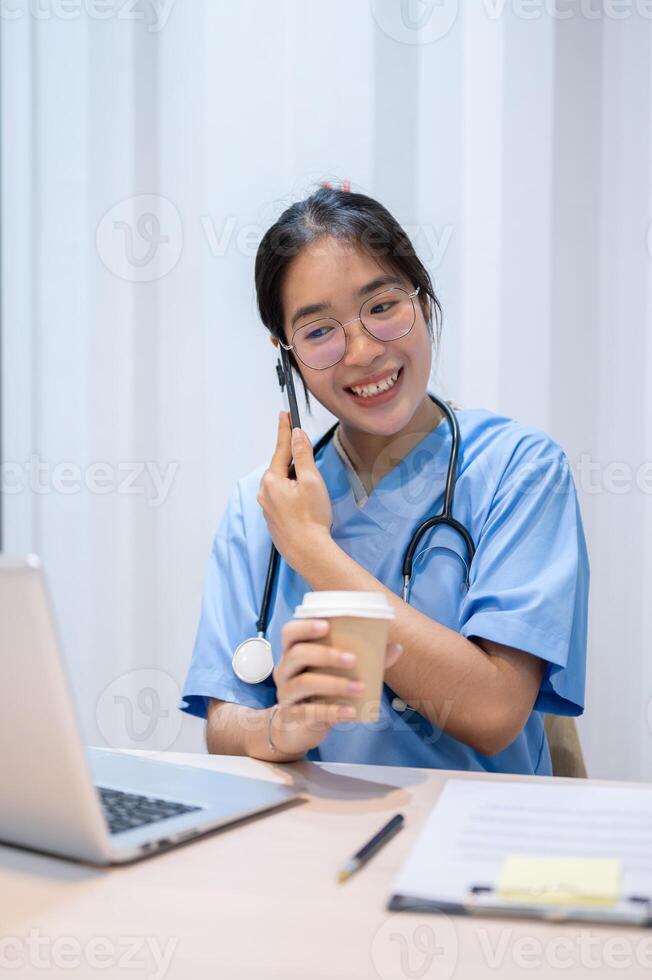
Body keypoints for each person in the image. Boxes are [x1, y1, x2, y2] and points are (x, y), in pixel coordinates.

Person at [180, 185, 589, 774]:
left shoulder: (519, 470)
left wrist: (313, 552)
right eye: (319, 331)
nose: (363, 351)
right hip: (312, 844)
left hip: (470, 844)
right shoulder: (260, 504)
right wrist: (282, 726)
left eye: (382, 305)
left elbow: (496, 713)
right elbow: (224, 725)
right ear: (287, 356)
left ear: (421, 300)